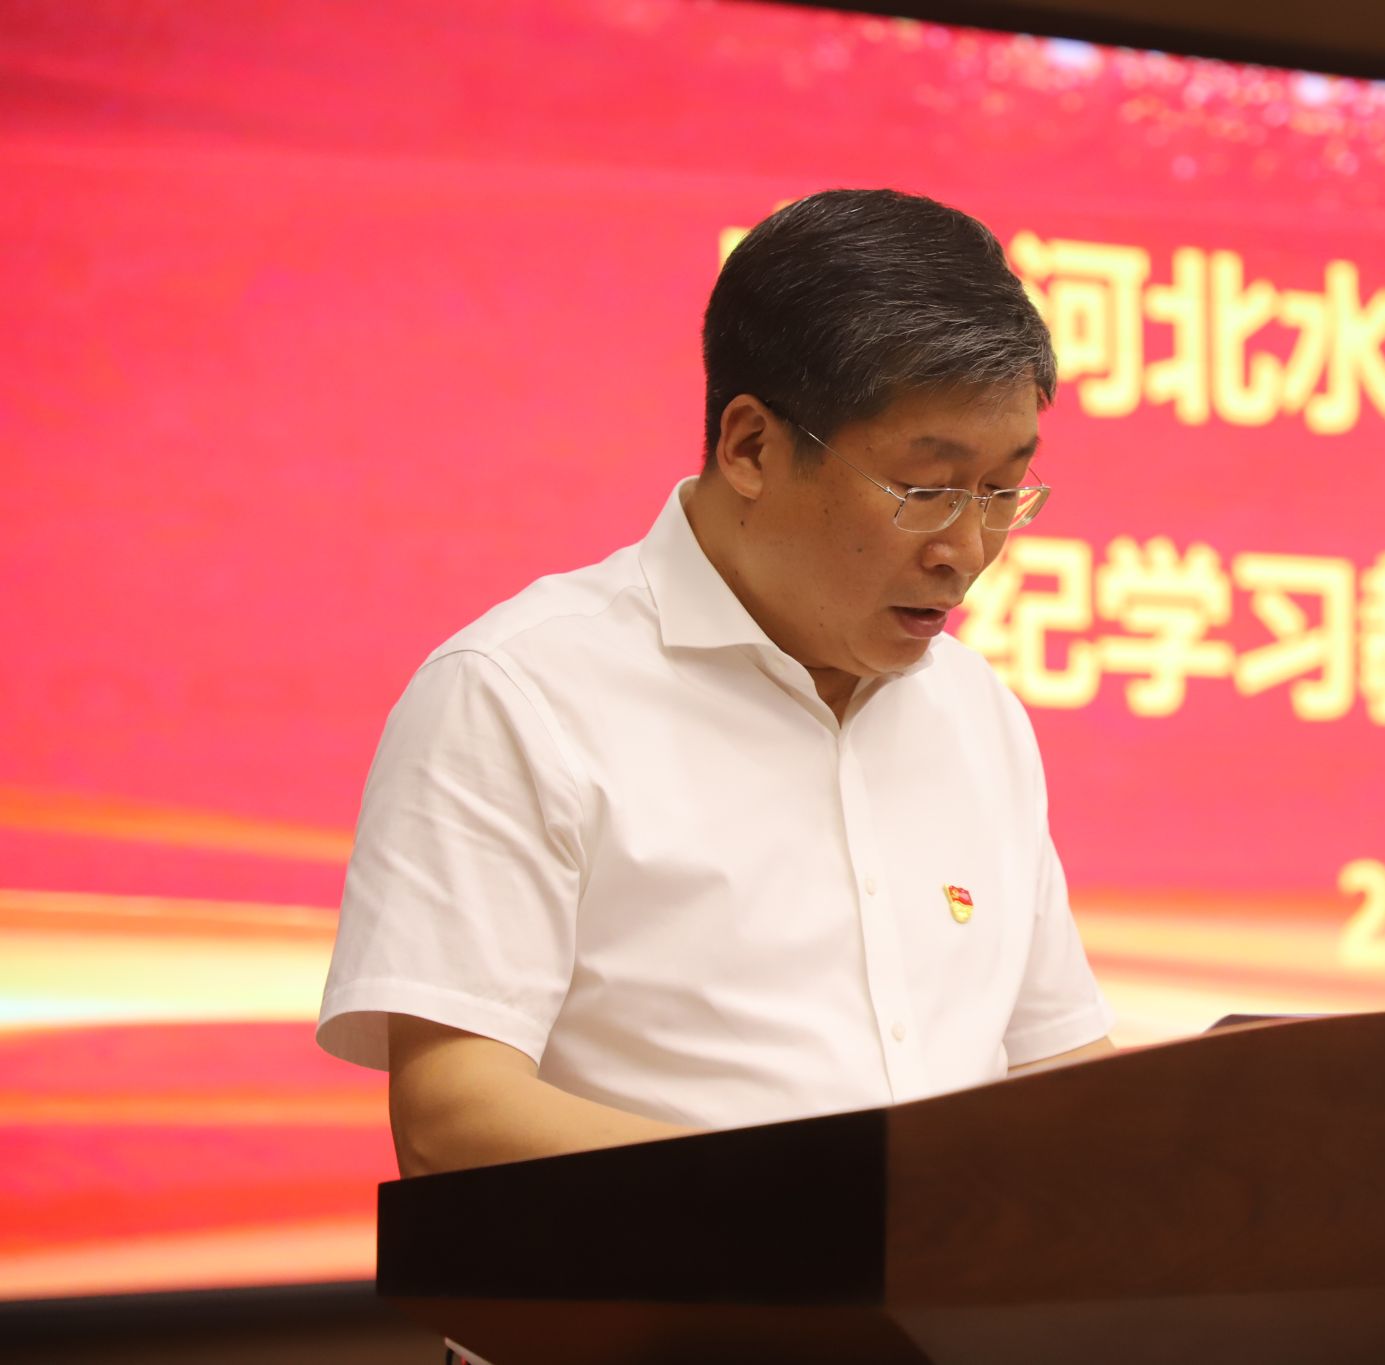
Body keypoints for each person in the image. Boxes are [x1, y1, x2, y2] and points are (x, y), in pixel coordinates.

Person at [316, 189, 1115, 1178]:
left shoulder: (975, 712)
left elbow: (1056, 1063)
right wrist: (820, 1208)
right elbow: (455, 1114)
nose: (968, 548)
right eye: (925, 489)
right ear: (750, 447)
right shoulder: (518, 693)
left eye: (1001, 492)